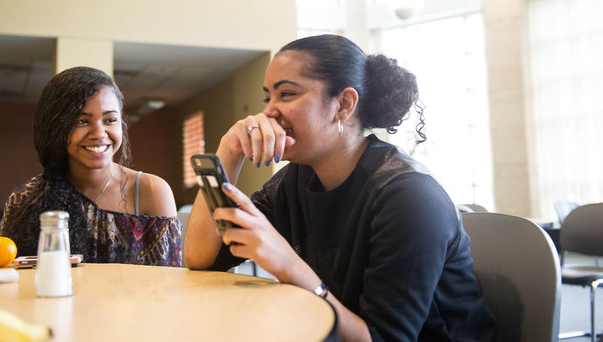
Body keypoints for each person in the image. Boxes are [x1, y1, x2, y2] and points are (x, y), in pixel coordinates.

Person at [184, 35, 495, 341]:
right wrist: (228, 150)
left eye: (287, 94)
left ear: (344, 105)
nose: (269, 112)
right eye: (269, 98)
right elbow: (201, 258)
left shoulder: (409, 196)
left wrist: (287, 264)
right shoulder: (294, 180)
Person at [0, 66, 181, 266]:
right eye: (82, 121)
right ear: (55, 127)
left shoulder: (151, 191)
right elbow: (10, 279)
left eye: (110, 120)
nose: (99, 133)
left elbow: (169, 284)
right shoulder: (27, 199)